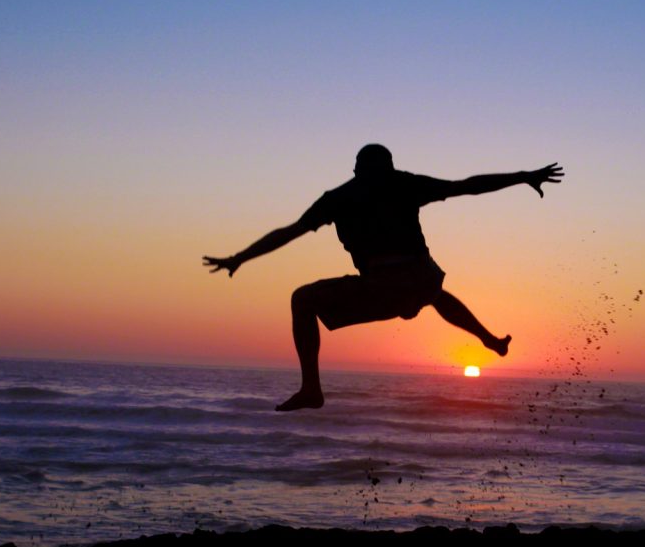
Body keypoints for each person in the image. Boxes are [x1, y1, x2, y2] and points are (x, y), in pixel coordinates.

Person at [203, 144, 563, 411]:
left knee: (303, 299)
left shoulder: (343, 196)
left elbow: (289, 232)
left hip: (384, 284)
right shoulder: (400, 184)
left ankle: (311, 388)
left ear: (358, 169)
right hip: (420, 277)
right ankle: (491, 341)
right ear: (382, 167)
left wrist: (240, 258)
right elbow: (466, 186)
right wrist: (523, 177)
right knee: (434, 293)